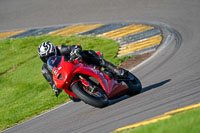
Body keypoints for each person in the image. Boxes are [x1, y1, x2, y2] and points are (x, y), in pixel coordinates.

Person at [38, 41, 128, 97]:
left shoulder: (60, 49)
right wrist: (55, 88)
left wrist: (75, 51)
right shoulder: (45, 68)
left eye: (49, 55)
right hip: (67, 76)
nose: (48, 58)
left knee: (87, 54)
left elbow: (76, 46)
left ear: (54, 51)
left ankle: (114, 69)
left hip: (77, 63)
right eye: (45, 57)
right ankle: (90, 94)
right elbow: (51, 81)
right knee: (73, 97)